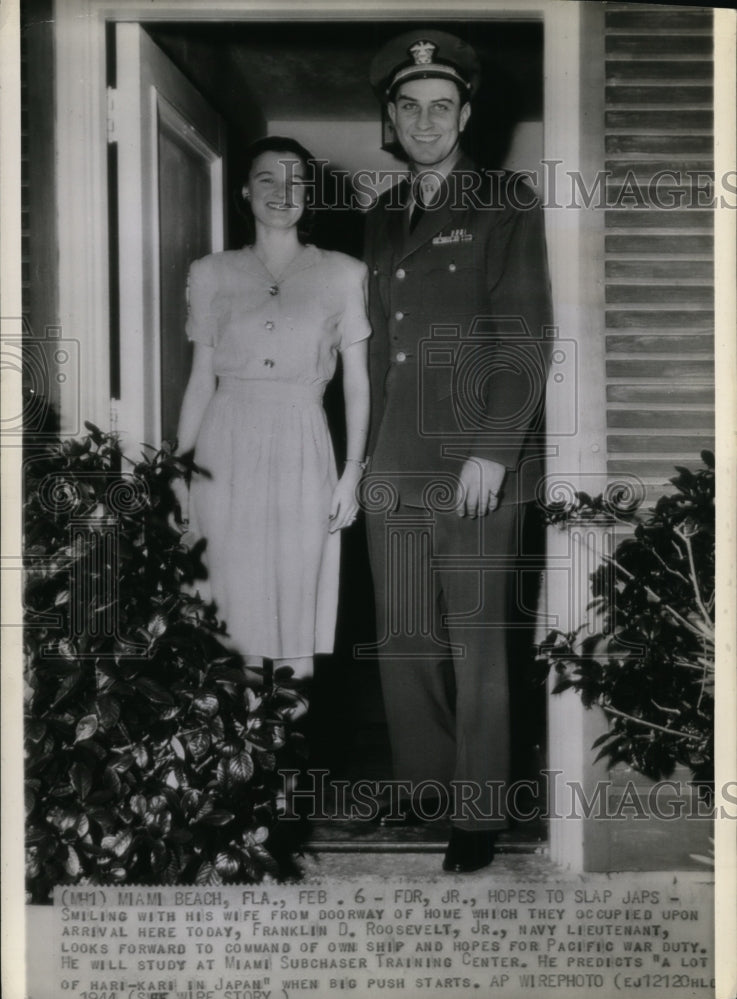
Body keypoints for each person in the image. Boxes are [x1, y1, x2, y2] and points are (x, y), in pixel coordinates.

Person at [363, 31, 552, 872]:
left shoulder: (502, 202)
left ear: (466, 114)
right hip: (393, 460)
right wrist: (363, 458)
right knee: (405, 637)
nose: (427, 121)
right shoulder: (377, 215)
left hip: (473, 461)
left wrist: (493, 451)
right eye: (410, 106)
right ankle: (427, 788)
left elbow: (524, 336)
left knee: (477, 641)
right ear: (392, 120)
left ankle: (477, 813)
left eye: (443, 106)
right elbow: (376, 352)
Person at [175, 136, 371, 717]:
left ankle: (285, 779)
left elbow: (356, 383)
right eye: (267, 179)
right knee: (227, 608)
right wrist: (179, 475)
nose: (282, 194)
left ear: (309, 196)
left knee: (292, 603)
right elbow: (198, 382)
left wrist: (351, 473)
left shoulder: (345, 273)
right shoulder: (211, 273)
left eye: (295, 182)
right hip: (224, 444)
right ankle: (235, 786)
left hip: (303, 447)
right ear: (245, 191)